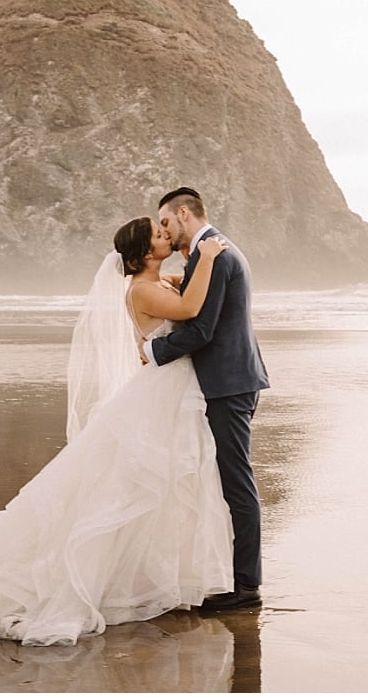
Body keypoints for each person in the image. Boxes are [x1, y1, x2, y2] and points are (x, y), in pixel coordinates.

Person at [0, 217, 234, 646]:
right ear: (142, 253)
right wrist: (210, 257)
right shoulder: (141, 289)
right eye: (159, 236)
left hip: (171, 390)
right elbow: (191, 310)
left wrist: (187, 271)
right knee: (129, 485)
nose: (167, 237)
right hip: (160, 393)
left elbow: (181, 294)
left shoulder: (157, 282)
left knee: (164, 482)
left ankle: (153, 577)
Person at [141, 187, 270, 611]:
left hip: (229, 384)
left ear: (183, 214)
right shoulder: (209, 255)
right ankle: (233, 576)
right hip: (231, 379)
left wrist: (151, 352)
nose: (163, 231)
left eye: (165, 223)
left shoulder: (215, 255)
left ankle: (246, 587)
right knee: (227, 481)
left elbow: (201, 330)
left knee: (237, 482)